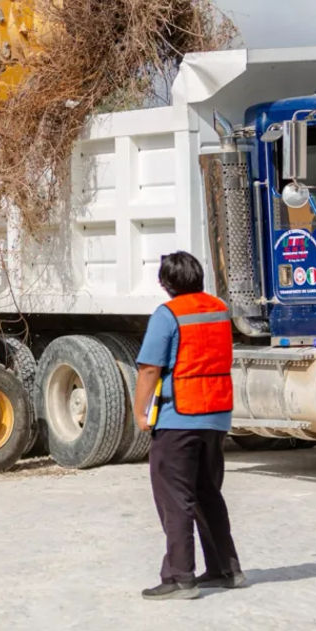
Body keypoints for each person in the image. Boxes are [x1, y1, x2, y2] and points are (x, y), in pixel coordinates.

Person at [132, 250, 243, 601]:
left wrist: (139, 412)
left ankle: (181, 578)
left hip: (179, 418)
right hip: (217, 416)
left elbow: (150, 368)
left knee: (175, 497)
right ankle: (227, 570)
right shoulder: (219, 309)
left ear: (165, 284)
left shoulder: (168, 316)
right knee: (208, 493)